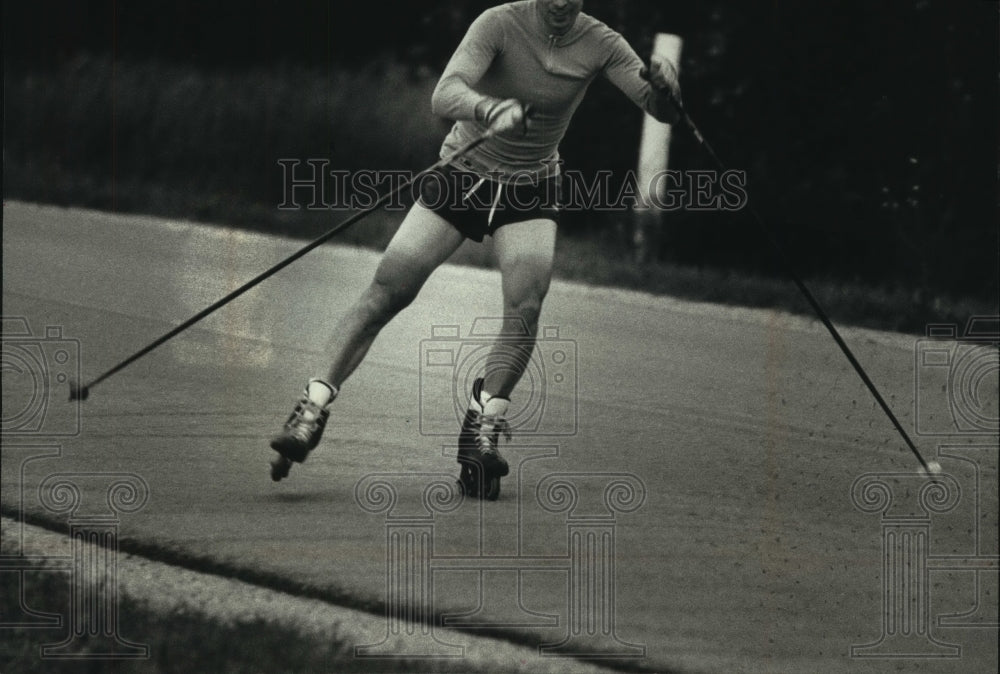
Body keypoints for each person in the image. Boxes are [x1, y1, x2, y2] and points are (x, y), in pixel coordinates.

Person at [269, 0, 681, 493]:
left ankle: (483, 426)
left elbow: (661, 110)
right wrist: (488, 109)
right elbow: (444, 95)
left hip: (532, 188)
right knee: (388, 291)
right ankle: (311, 409)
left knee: (526, 303)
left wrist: (667, 87)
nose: (560, 3)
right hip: (463, 176)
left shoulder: (603, 42)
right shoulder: (499, 23)